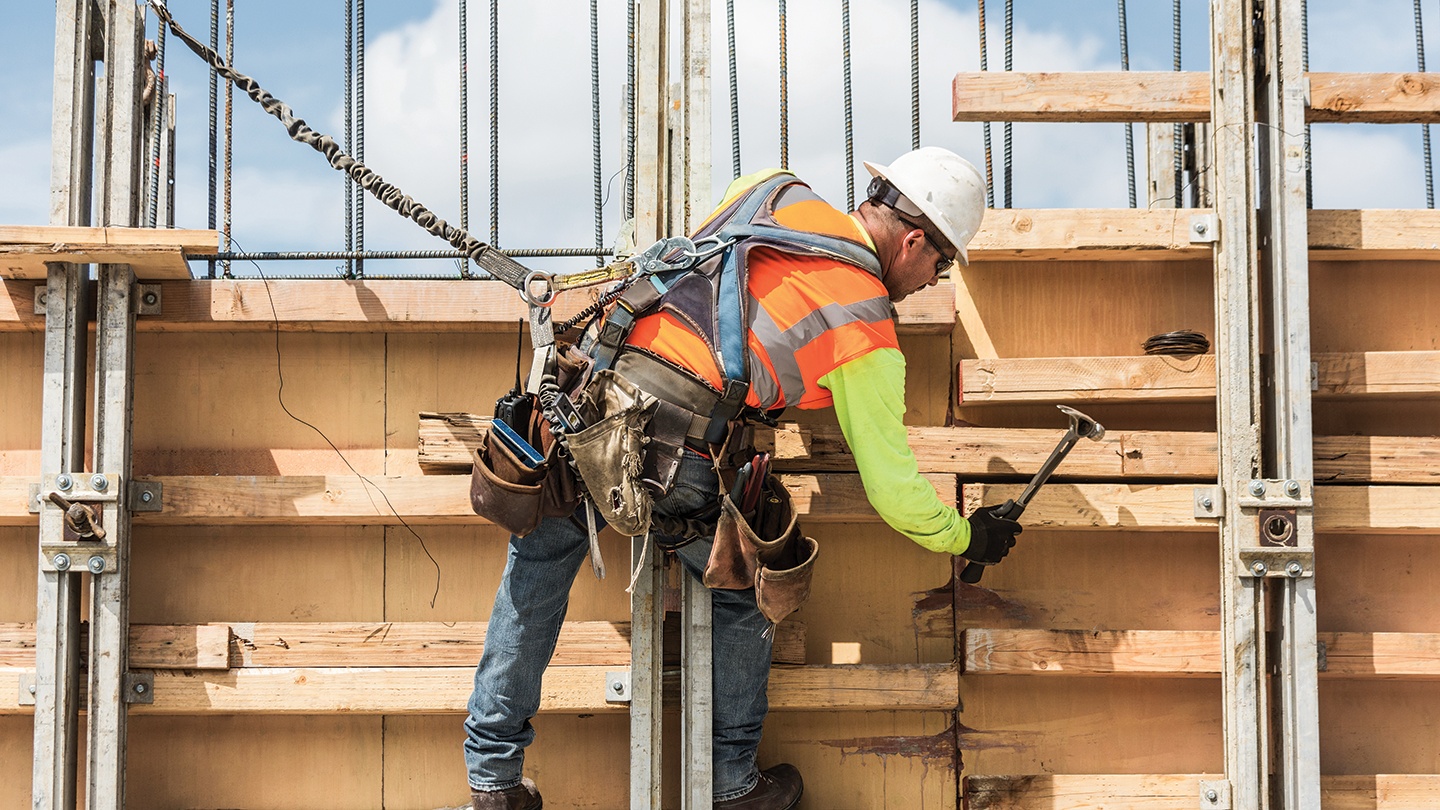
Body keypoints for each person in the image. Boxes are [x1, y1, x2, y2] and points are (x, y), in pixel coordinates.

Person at [463, 146, 1023, 810]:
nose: (934, 280)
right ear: (912, 240)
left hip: (592, 401)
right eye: (941, 262)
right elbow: (894, 489)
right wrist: (966, 538)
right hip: (680, 451)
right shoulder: (864, 324)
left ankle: (492, 780)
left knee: (539, 560)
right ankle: (730, 785)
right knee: (749, 584)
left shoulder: (772, 189)